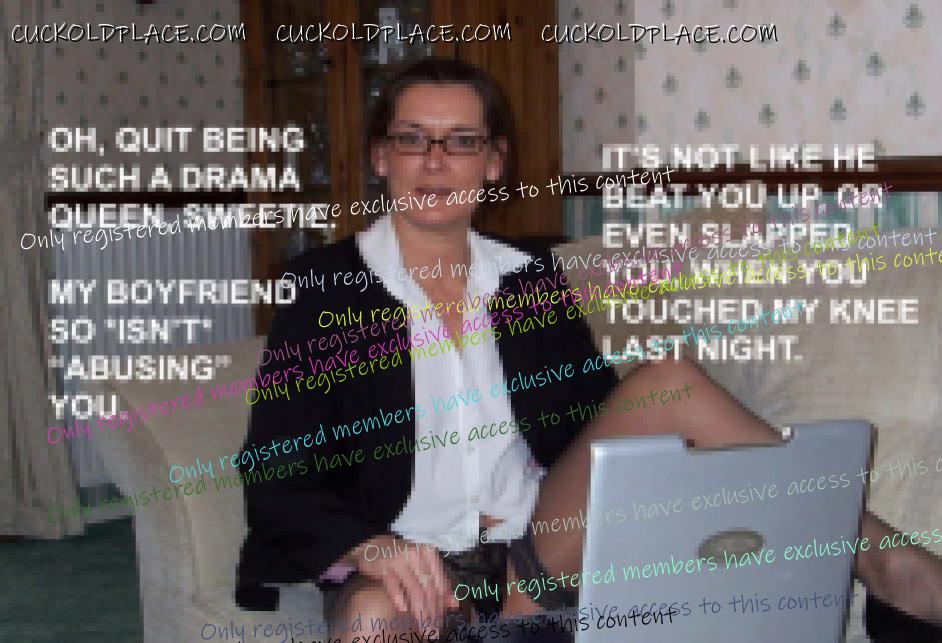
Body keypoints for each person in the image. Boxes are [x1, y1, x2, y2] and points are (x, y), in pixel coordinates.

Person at [235, 58, 942, 640]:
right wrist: (374, 548)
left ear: (493, 163)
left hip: (537, 549)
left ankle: (889, 565)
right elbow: (274, 473)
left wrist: (665, 475)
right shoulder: (324, 289)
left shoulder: (528, 278)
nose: (436, 161)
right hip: (411, 568)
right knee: (368, 620)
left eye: (462, 141)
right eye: (413, 139)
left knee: (666, 379)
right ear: (381, 157)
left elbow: (591, 422)